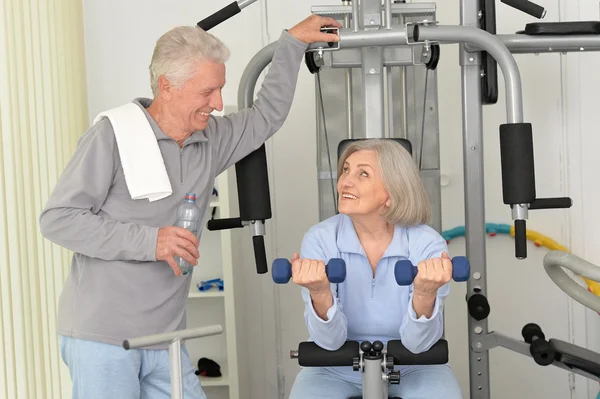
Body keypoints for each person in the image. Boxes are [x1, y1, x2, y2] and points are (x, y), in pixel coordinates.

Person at [38, 14, 341, 399]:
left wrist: (292, 44)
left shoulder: (209, 139)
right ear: (167, 87)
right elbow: (58, 220)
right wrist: (152, 242)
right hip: (104, 339)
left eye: (220, 91)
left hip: (167, 338)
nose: (217, 104)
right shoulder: (112, 135)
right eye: (207, 92)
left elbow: (266, 116)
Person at [287, 139, 463, 399]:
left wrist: (424, 295)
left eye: (363, 173)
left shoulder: (427, 243)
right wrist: (320, 292)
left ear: (392, 192)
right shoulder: (321, 238)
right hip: (334, 367)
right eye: (345, 170)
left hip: (415, 367)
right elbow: (330, 342)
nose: (345, 181)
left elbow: (418, 345)